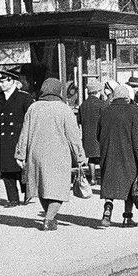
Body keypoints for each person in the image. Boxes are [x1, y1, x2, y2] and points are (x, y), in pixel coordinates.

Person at [15, 78, 87, 231]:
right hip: (58, 156)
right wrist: (80, 156)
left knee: (42, 188)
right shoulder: (64, 109)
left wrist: (20, 154)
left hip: (36, 155)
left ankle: (50, 218)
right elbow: (73, 136)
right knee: (58, 190)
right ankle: (48, 219)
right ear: (59, 91)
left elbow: (24, 133)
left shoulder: (33, 108)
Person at [96, 83, 138, 228]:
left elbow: (98, 134)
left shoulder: (105, 111)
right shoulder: (134, 111)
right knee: (130, 187)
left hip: (109, 154)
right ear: (127, 97)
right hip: (128, 155)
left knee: (110, 185)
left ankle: (107, 211)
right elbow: (137, 138)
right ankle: (127, 217)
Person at [0, 69, 33, 207]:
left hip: (18, 139)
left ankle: (27, 192)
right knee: (6, 171)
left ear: (11, 81)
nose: (0, 85)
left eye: (3, 82)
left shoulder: (24, 98)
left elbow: (29, 119)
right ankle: (13, 199)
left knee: (21, 169)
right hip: (3, 140)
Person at [77, 79, 107, 185]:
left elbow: (79, 121)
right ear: (98, 91)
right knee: (103, 157)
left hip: (88, 135)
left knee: (92, 159)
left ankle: (93, 178)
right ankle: (103, 178)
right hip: (100, 135)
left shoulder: (83, 105)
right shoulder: (102, 104)